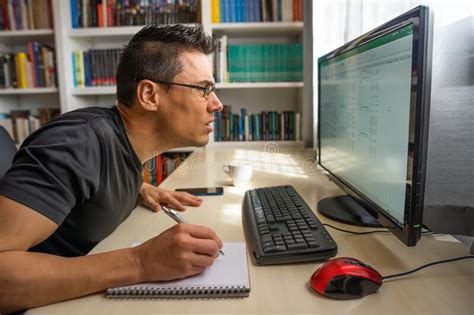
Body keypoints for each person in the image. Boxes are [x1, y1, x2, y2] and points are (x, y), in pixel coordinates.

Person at [0, 24, 224, 313]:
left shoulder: (124, 144)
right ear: (150, 95)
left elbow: (89, 183)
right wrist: (140, 262)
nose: (216, 105)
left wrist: (140, 189)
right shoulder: (77, 144)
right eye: (204, 89)